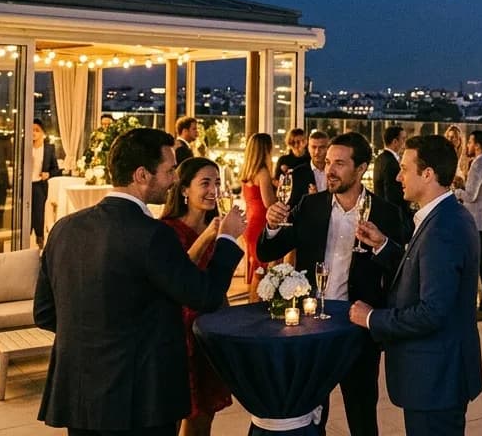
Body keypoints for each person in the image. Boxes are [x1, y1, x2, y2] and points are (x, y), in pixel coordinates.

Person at [35, 127, 245, 436]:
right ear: (142, 175)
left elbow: (44, 313)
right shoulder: (153, 234)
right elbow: (206, 296)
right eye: (169, 171)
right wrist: (227, 238)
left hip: (79, 393)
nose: (174, 179)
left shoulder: (65, 228)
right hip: (141, 398)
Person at [260, 132, 409, 436]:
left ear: (361, 168)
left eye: (340, 163)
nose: (330, 170)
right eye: (328, 162)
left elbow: (402, 271)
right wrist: (272, 226)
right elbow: (267, 251)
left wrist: (380, 245)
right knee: (312, 413)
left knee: (362, 412)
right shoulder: (310, 205)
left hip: (357, 327)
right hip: (312, 324)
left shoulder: (385, 213)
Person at [350, 135, 482, 436]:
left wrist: (371, 318)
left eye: (405, 169)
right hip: (438, 374)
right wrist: (384, 245)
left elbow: (432, 311)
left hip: (436, 376)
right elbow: (424, 270)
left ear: (428, 174)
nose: (397, 177)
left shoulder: (442, 228)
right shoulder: (444, 216)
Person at [159, 157, 233, 436]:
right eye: (205, 183)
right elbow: (178, 277)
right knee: (172, 413)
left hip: (208, 330)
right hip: (177, 331)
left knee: (204, 417)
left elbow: (218, 282)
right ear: (184, 190)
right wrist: (210, 236)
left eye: (217, 182)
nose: (213, 189)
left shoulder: (217, 226)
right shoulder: (166, 230)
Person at [454, 129, 482, 320]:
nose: (468, 146)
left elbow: (470, 195)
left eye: (470, 143)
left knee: (479, 264)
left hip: (478, 220)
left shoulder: (478, 165)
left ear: (477, 145)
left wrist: (456, 191)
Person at [239, 132, 277, 303]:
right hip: (260, 222)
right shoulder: (262, 172)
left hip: (250, 221)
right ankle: (254, 305)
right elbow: (269, 203)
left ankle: (252, 302)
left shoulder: (247, 171)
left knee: (256, 266)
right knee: (261, 269)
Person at [30, 119, 62, 248]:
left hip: (39, 185)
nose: (33, 133)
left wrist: (48, 174)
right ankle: (24, 239)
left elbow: (56, 169)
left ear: (43, 133)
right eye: (31, 130)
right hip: (26, 184)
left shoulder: (48, 149)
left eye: (37, 130)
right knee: (26, 213)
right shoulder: (25, 147)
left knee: (39, 213)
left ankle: (40, 239)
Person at [374, 125, 410, 224]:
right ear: (395, 142)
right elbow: (392, 194)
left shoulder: (380, 158)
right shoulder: (391, 162)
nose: (404, 142)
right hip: (392, 216)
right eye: (403, 139)